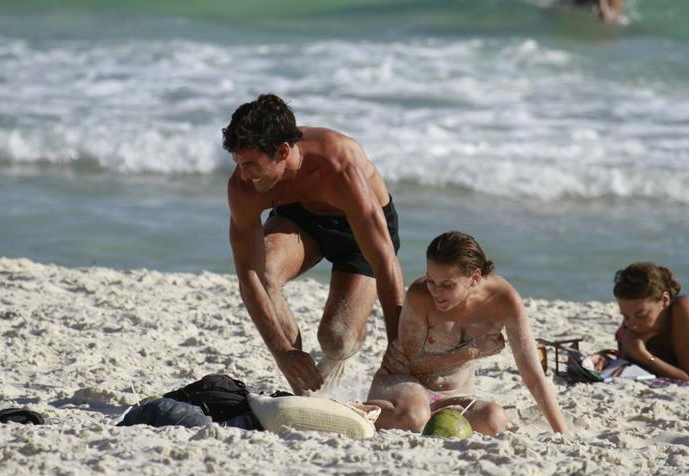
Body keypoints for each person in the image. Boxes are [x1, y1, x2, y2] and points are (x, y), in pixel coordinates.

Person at [223, 94, 404, 395]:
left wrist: (399, 355)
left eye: (251, 164)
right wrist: (282, 352)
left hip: (356, 229)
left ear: (282, 151)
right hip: (299, 218)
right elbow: (248, 274)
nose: (243, 175)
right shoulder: (244, 185)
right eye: (238, 163)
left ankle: (343, 347)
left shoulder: (339, 165)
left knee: (337, 339)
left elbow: (385, 261)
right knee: (265, 271)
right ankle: (301, 379)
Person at [367, 232, 568, 436]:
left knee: (492, 419)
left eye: (447, 285)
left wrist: (562, 432)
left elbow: (532, 373)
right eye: (430, 280)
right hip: (403, 385)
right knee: (414, 417)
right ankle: (355, 409)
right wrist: (471, 352)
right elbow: (414, 363)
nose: (436, 292)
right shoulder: (420, 296)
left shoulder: (504, 301)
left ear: (475, 277)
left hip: (452, 396)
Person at [613, 263, 689, 384]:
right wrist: (604, 358)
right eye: (625, 316)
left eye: (641, 315)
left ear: (664, 300)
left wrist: (645, 356)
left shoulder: (686, 311)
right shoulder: (634, 318)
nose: (631, 324)